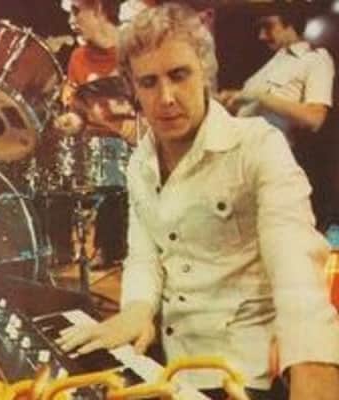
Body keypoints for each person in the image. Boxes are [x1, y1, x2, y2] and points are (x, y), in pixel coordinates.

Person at [56, 3, 339, 400]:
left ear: (204, 72)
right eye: (149, 82)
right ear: (133, 88)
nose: (166, 97)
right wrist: (136, 309)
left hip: (241, 374)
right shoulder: (140, 162)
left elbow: (294, 263)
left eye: (179, 75)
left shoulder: (258, 145)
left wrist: (313, 363)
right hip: (168, 364)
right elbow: (144, 256)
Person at [217, 4, 336, 229]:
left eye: (268, 26)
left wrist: (261, 97)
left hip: (274, 165)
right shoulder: (271, 63)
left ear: (290, 23)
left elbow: (315, 118)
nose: (262, 36)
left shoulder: (315, 59)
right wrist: (231, 100)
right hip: (239, 165)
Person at [55, 0, 136, 268]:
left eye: (77, 11)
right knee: (104, 156)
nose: (71, 20)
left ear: (99, 8)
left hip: (140, 139)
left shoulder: (134, 49)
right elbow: (79, 112)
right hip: (101, 146)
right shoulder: (78, 58)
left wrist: (140, 127)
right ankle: (108, 246)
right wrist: (72, 121)